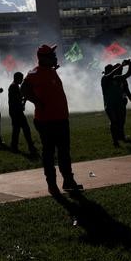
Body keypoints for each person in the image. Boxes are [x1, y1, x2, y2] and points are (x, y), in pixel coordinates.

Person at [22, 44, 82, 194]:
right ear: (43, 58)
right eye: (52, 55)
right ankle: (52, 184)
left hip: (60, 119)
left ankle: (68, 180)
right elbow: (24, 89)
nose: (55, 57)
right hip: (47, 121)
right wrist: (37, 101)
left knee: (64, 152)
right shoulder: (35, 73)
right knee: (49, 153)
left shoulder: (49, 71)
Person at [101, 60, 131, 147]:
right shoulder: (104, 79)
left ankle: (120, 137)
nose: (113, 72)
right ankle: (115, 141)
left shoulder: (116, 78)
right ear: (108, 71)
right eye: (111, 70)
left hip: (119, 104)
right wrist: (120, 66)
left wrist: (130, 65)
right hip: (109, 105)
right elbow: (110, 74)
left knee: (120, 121)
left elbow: (128, 75)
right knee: (113, 121)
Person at [8, 72, 38, 154]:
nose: (21, 80)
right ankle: (30, 146)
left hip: (15, 111)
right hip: (16, 111)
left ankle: (14, 147)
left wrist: (24, 99)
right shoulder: (14, 87)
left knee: (17, 130)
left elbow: (19, 98)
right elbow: (18, 98)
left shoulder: (14, 86)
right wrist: (25, 97)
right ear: (17, 78)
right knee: (25, 129)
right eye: (21, 78)